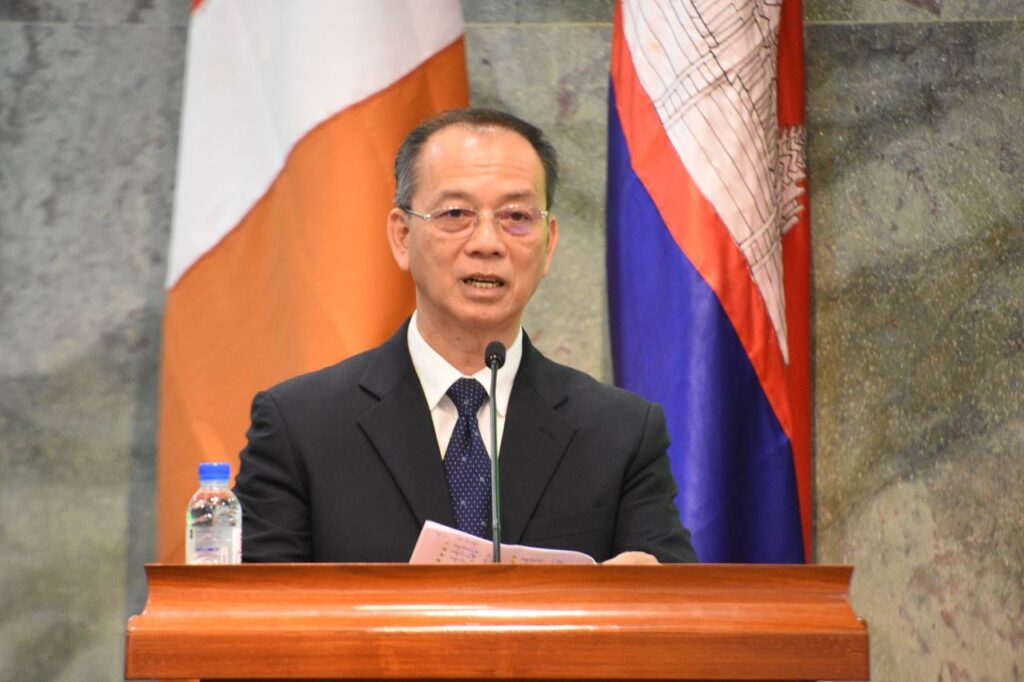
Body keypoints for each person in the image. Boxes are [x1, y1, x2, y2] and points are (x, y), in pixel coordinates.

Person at [234, 108, 697, 564]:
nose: (487, 243)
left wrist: (642, 586)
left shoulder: (620, 433)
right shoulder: (301, 427)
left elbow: (677, 595)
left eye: (516, 216)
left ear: (549, 242)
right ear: (402, 236)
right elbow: (257, 603)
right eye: (455, 213)